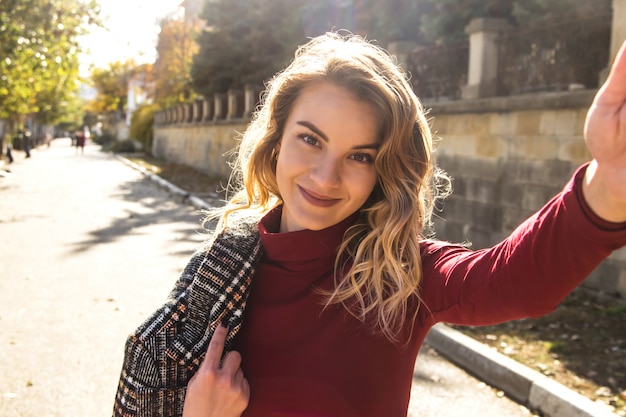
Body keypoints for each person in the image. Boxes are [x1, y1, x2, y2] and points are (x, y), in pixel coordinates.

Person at [113, 32, 626, 417]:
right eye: (310, 139)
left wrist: (607, 188)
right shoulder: (219, 272)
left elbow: (516, 281)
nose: (325, 176)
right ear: (275, 141)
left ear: (383, 170)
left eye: (359, 155)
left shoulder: (399, 277)